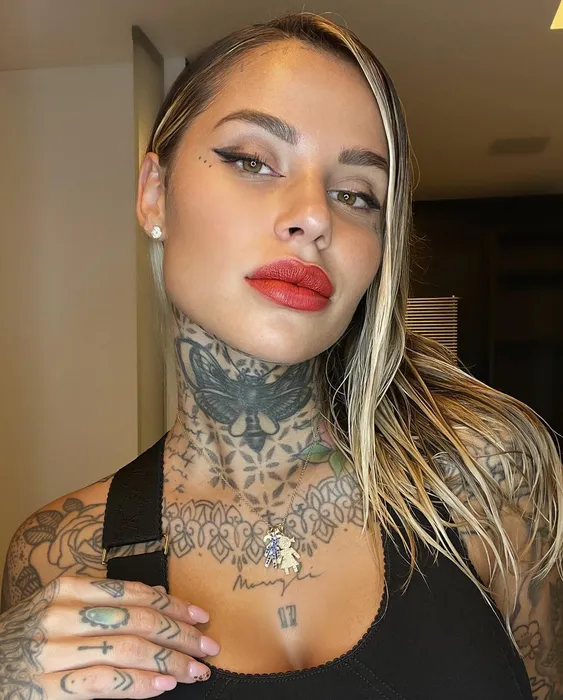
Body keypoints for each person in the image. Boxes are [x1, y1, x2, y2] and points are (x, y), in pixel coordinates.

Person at [0, 11, 561, 700]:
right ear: (154, 194)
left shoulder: (484, 473)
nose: (315, 216)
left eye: (356, 194)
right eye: (253, 161)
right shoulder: (60, 550)